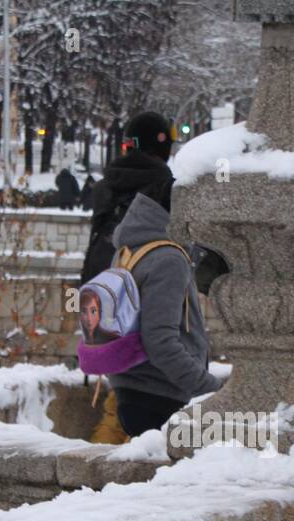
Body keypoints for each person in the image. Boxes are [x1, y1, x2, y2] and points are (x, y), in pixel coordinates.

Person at [102, 192, 220, 436]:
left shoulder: (129, 249)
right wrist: (211, 388)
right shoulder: (169, 259)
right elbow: (160, 342)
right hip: (162, 397)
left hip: (131, 389)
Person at [80, 112, 175, 283]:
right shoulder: (168, 190)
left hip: (99, 284)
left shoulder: (104, 187)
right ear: (162, 145)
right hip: (145, 286)